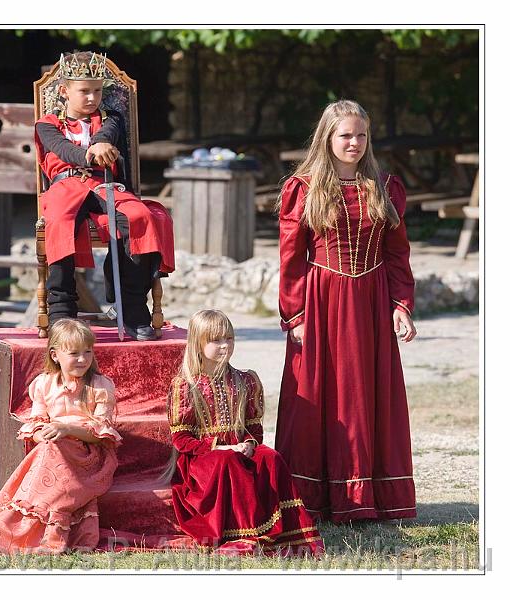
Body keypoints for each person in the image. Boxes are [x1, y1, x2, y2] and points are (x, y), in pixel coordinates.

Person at [275, 100, 418, 524]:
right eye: (345, 135)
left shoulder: (385, 186)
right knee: (320, 395)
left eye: (361, 135)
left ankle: (368, 496)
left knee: (366, 396)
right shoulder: (304, 188)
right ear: (327, 138)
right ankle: (317, 496)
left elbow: (397, 253)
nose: (354, 143)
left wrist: (400, 305)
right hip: (321, 301)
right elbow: (290, 257)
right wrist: (296, 314)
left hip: (372, 300)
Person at [34, 51, 175, 340]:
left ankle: (132, 308)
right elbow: (63, 150)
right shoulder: (46, 124)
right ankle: (61, 312)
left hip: (103, 184)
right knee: (59, 222)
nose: (92, 98)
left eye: (97, 91)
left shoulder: (112, 118)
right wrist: (90, 153)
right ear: (64, 91)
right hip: (65, 186)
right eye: (84, 91)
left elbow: (106, 136)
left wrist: (99, 144)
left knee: (139, 216)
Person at [0, 319, 122, 554]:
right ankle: (14, 529)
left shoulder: (100, 385)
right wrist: (44, 434)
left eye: (88, 352)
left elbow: (101, 432)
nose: (83, 359)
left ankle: (41, 532)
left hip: (89, 455)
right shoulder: (43, 384)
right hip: (53, 450)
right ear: (55, 355)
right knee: (49, 448)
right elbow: (37, 423)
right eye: (74, 353)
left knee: (53, 449)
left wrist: (67, 429)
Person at [166, 309, 324, 556]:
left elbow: (253, 427)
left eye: (229, 338)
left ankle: (289, 528)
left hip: (239, 450)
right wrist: (221, 447)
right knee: (227, 460)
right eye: (216, 340)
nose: (225, 345)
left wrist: (249, 443)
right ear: (198, 344)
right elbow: (182, 439)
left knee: (270, 457)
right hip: (203, 460)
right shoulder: (186, 385)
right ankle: (244, 535)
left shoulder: (244, 380)